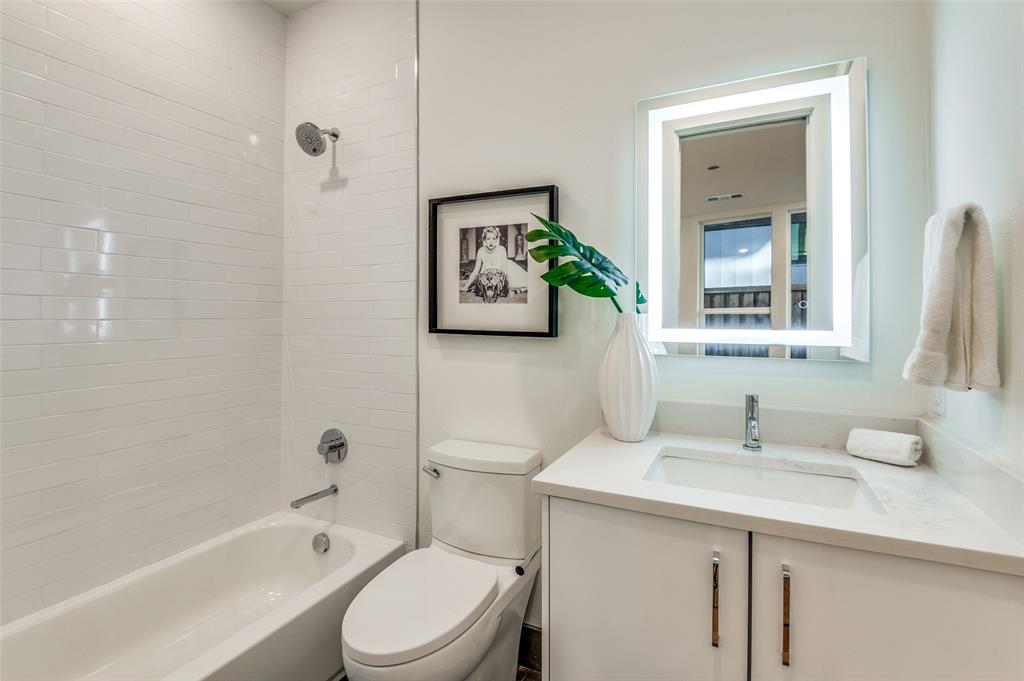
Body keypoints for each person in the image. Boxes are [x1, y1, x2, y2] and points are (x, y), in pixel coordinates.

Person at [461, 225, 509, 294]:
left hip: (501, 274)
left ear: (497, 239)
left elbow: (505, 272)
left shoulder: (502, 249)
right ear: (484, 240)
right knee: (480, 285)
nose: (491, 242)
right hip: (486, 276)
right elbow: (476, 271)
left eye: (493, 238)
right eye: (488, 239)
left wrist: (508, 286)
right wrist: (465, 287)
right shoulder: (481, 251)